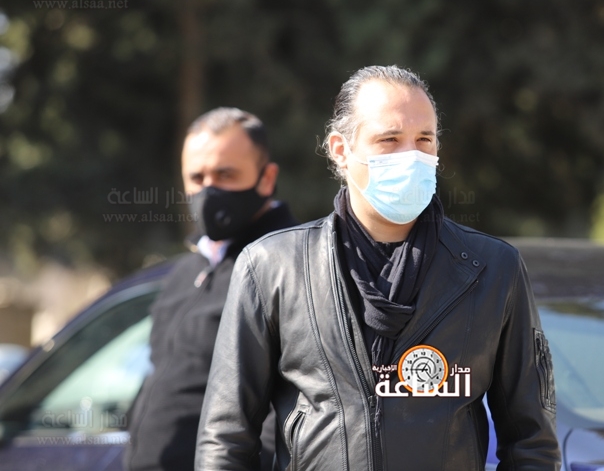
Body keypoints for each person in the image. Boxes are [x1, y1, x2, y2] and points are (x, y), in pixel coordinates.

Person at [195, 66, 561, 470]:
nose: (411, 156)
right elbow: (226, 438)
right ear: (341, 150)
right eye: (390, 139)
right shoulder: (273, 266)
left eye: (424, 139)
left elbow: (532, 443)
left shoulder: (492, 269)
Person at [126, 108, 297, 471]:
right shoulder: (185, 272)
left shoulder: (291, 267)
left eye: (225, 174)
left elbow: (293, 408)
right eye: (197, 177)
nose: (208, 190)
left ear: (267, 179)